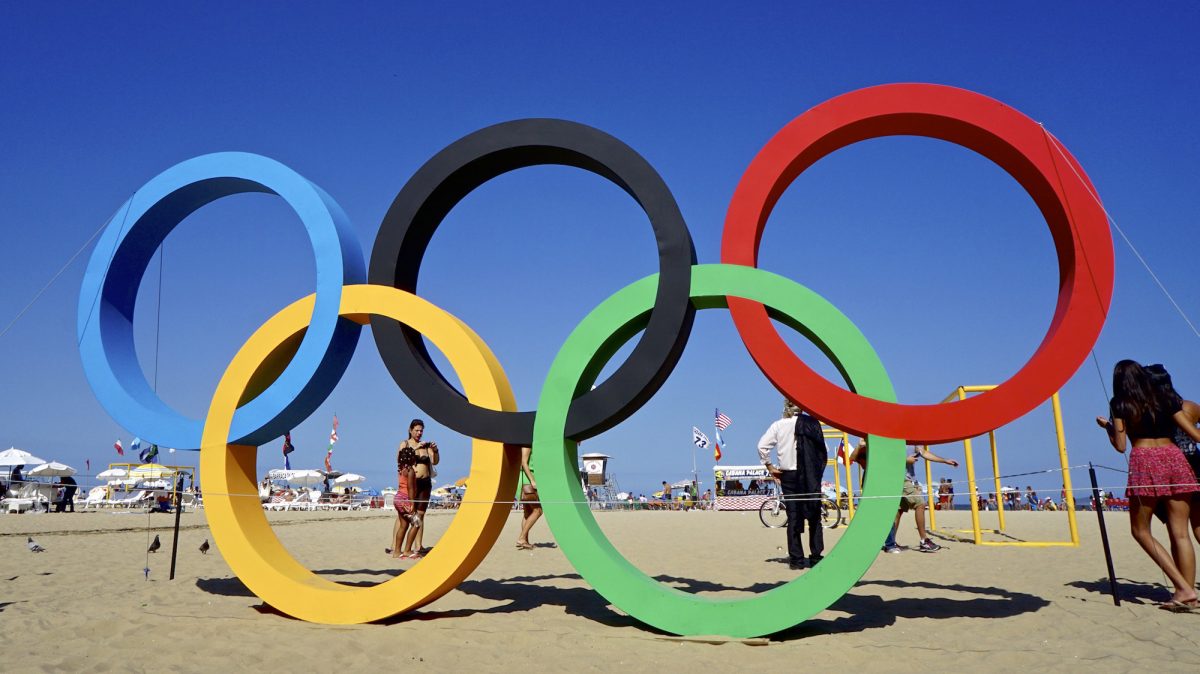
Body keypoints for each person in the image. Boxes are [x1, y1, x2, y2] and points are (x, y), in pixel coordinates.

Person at [1096, 359, 1200, 610]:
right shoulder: (1164, 399)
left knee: (1140, 530)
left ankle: (1184, 589)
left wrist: (1109, 428)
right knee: (1181, 532)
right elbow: (1194, 433)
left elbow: (1120, 446)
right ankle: (1186, 593)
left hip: (1145, 460)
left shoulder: (1120, 403)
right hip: (1174, 457)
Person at [851, 440, 958, 553]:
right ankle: (924, 540)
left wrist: (945, 460)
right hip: (898, 478)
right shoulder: (890, 439)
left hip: (907, 479)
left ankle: (891, 543)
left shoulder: (913, 439)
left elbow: (924, 453)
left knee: (898, 511)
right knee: (920, 504)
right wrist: (904, 460)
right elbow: (884, 458)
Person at [759, 399, 827, 570]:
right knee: (814, 516)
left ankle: (796, 560)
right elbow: (821, 449)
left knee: (793, 515)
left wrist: (769, 466)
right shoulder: (811, 423)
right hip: (809, 472)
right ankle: (816, 556)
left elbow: (762, 446)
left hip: (788, 474)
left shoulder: (779, 425)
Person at [399, 419, 439, 556]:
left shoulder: (426, 446)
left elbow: (435, 461)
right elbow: (402, 459)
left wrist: (435, 449)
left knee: (420, 516)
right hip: (412, 484)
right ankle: (400, 548)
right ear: (410, 430)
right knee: (409, 516)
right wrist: (415, 448)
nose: (419, 433)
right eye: (416, 430)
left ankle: (415, 547)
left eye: (421, 430)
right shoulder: (405, 444)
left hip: (426, 483)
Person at [390, 436, 421, 560]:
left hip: (398, 498)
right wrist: (412, 503)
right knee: (417, 523)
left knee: (403, 525)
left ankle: (397, 552)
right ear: (412, 458)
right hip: (405, 499)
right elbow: (411, 488)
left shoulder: (401, 469)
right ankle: (407, 550)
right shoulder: (410, 471)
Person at [515, 446, 542, 550]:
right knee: (538, 510)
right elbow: (524, 462)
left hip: (526, 479)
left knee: (527, 513)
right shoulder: (527, 442)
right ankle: (522, 538)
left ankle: (525, 541)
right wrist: (532, 480)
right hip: (527, 480)